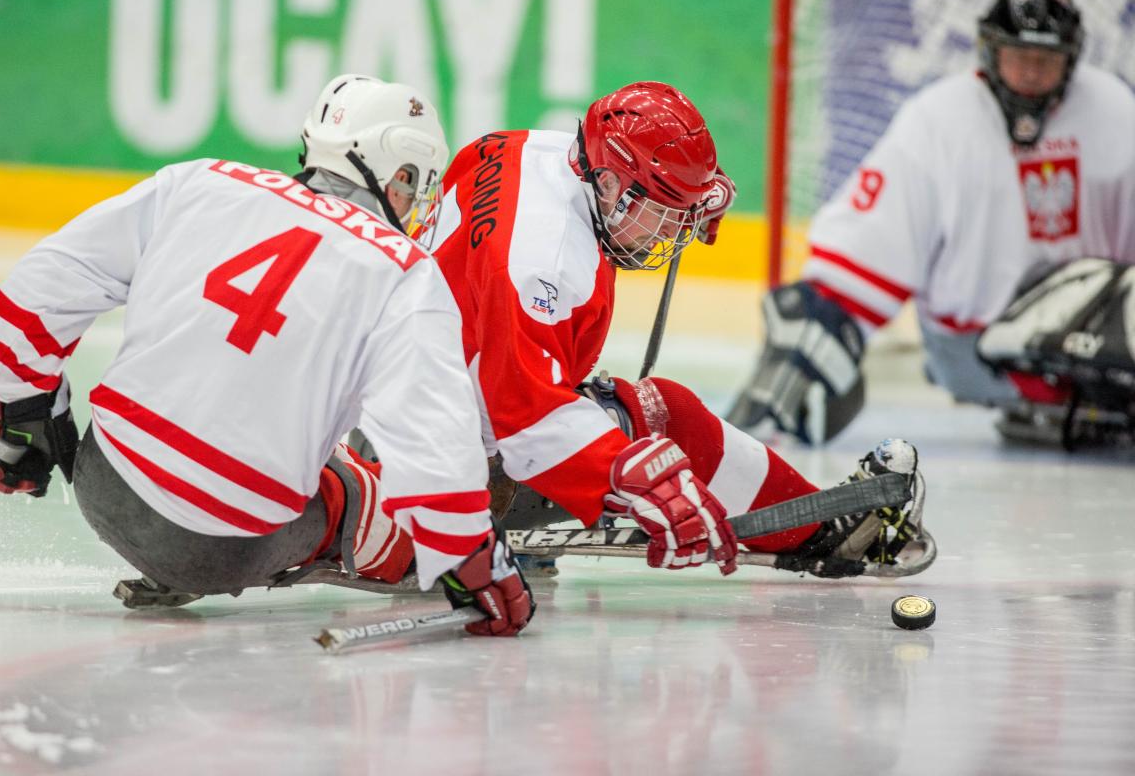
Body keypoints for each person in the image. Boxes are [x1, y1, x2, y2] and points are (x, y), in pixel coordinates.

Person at [0, 74, 534, 636]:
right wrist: (474, 559)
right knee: (360, 489)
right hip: (230, 547)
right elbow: (431, 438)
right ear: (401, 173)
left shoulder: (200, 182)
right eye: (417, 186)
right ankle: (371, 544)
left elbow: (45, 285)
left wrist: (19, 410)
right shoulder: (406, 273)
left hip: (102, 484)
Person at [385, 80, 930, 579]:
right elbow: (526, 422)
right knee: (663, 417)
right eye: (667, 210)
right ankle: (820, 534)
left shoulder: (521, 148)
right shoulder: (540, 262)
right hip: (436, 472)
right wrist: (629, 477)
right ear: (611, 185)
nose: (677, 230)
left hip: (412, 408)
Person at [729, 0, 1135, 447]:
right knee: (808, 322)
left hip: (1094, 344)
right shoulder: (940, 118)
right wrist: (811, 334)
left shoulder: (1114, 109)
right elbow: (853, 264)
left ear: (1072, 59)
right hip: (979, 349)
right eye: (1018, 57)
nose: (1029, 73)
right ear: (989, 51)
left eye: (1045, 61)